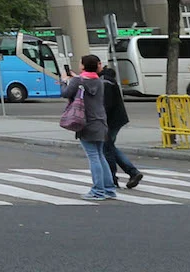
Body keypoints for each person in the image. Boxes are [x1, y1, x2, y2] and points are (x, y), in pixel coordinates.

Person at [61, 53, 115, 201]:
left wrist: (64, 80)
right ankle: (109, 188)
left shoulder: (78, 80)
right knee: (100, 155)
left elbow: (66, 93)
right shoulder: (99, 81)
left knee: (93, 157)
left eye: (80, 63)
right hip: (100, 121)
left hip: (86, 122)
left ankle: (98, 190)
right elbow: (83, 82)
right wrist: (74, 79)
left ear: (83, 66)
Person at [101, 65, 143, 190]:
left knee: (107, 148)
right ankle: (132, 172)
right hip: (115, 119)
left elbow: (106, 105)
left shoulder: (105, 81)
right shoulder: (107, 79)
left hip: (110, 120)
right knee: (110, 147)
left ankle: (114, 178)